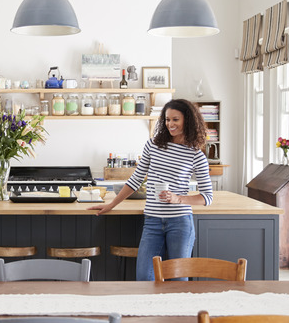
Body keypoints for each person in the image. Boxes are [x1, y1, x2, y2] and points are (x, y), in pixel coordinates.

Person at [88, 98, 213, 280]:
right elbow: (136, 179)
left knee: (178, 279)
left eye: (175, 119)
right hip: (152, 221)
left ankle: (177, 310)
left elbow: (207, 197)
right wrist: (111, 204)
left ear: (188, 120)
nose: (170, 124)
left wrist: (178, 198)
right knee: (144, 278)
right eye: (167, 119)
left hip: (180, 223)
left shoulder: (195, 154)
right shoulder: (153, 145)